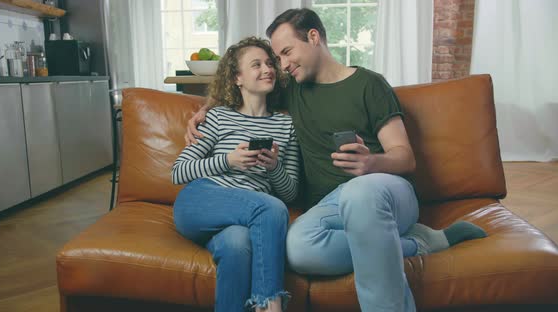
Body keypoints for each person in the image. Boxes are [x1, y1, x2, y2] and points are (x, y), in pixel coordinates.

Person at [185, 9, 487, 312]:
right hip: (330, 207)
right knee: (296, 248)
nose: (283, 65)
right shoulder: (292, 90)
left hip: (385, 191)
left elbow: (405, 158)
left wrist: (372, 164)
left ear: (313, 37)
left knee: (360, 192)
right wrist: (205, 109)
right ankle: (417, 243)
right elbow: (240, 90)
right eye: (278, 58)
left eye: (287, 52)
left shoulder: (369, 85)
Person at [172, 36, 299, 312]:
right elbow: (178, 171)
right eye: (256, 64)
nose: (267, 69)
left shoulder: (286, 125)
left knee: (237, 245)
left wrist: (273, 166)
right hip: (203, 198)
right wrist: (228, 160)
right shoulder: (218, 117)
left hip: (246, 215)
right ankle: (271, 305)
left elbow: (291, 191)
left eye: (269, 63)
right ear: (237, 78)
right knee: (272, 209)